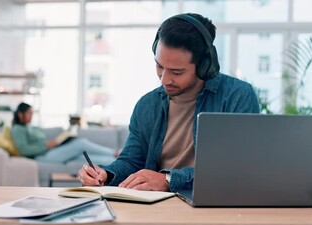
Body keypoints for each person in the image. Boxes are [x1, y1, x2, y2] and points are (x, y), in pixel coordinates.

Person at [79, 13, 260, 192]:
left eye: (177, 72)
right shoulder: (147, 104)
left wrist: (169, 179)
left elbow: (237, 169)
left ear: (206, 65)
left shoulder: (238, 96)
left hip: (214, 203)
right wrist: (106, 174)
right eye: (159, 66)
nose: (164, 80)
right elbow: (132, 161)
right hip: (156, 205)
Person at [11, 102, 117, 165]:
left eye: (32, 113)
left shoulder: (29, 127)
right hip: (43, 156)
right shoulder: (17, 129)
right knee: (82, 143)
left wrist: (53, 142)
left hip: (51, 151)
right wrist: (45, 145)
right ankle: (114, 153)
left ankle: (114, 160)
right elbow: (24, 150)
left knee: (82, 156)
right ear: (20, 114)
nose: (31, 116)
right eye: (29, 113)